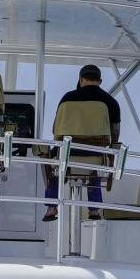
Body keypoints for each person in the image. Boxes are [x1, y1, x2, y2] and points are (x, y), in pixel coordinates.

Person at [43, 64, 121, 221]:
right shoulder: (111, 102)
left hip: (68, 157)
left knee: (55, 158)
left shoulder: (67, 99)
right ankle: (94, 210)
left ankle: (51, 207)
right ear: (100, 81)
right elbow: (115, 134)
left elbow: (55, 131)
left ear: (81, 79)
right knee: (98, 162)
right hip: (96, 158)